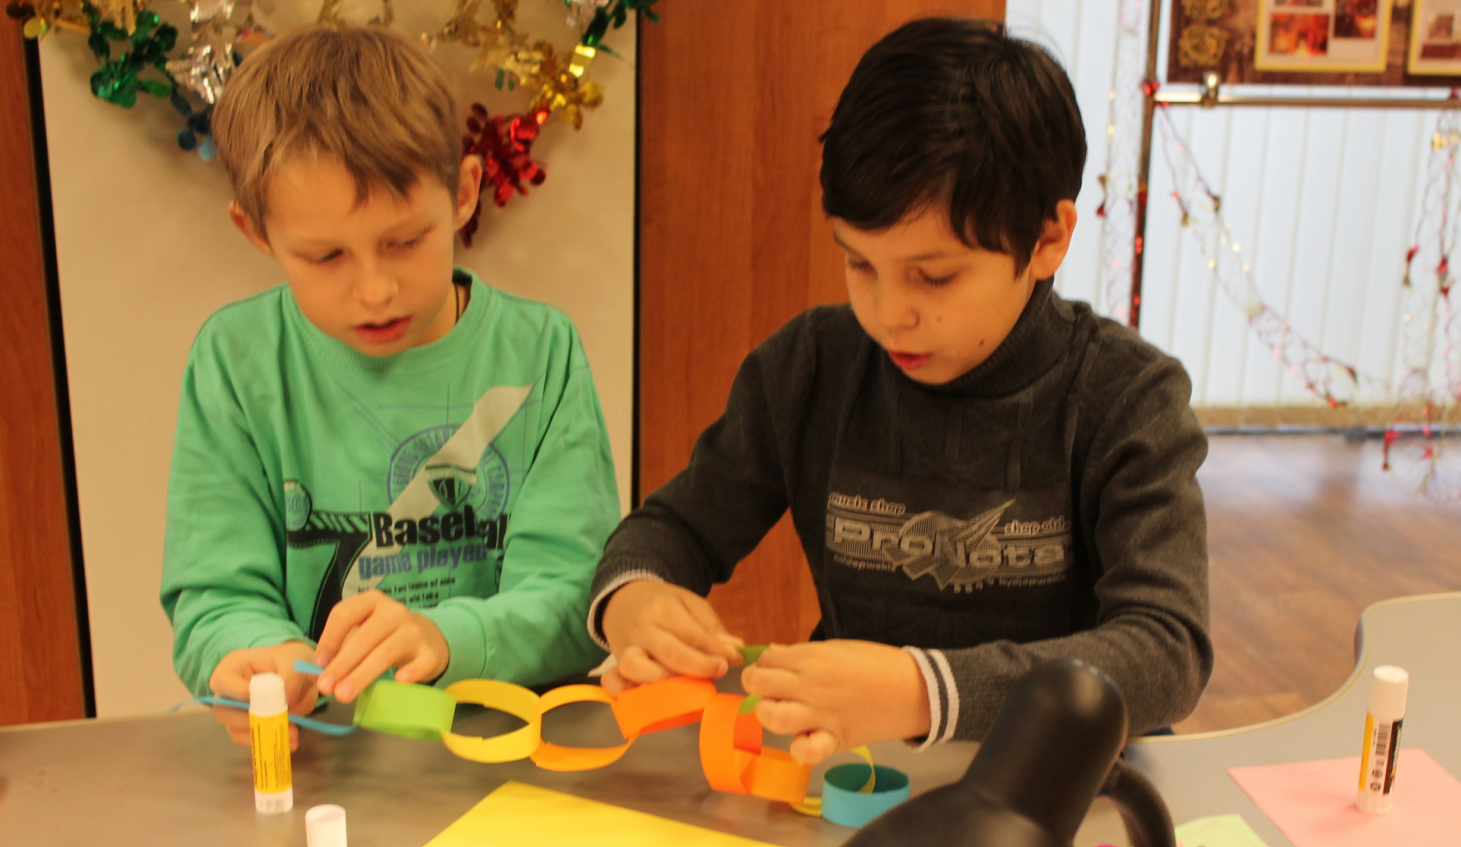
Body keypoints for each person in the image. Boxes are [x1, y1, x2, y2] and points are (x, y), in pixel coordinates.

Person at [590, 18, 1212, 764]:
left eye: (934, 276)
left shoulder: (1127, 396)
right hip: (858, 777)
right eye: (859, 264)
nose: (888, 314)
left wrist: (924, 692)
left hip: (1065, 782)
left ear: (1048, 239)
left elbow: (1167, 649)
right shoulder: (810, 368)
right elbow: (672, 530)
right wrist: (634, 598)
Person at [161, 25, 619, 747]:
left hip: (509, 755)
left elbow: (575, 602)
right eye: (325, 257)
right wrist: (252, 654)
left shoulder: (540, 352)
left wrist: (445, 638)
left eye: (404, 242)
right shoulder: (237, 362)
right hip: (321, 761)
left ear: (463, 193)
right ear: (257, 233)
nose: (374, 290)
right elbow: (215, 598)